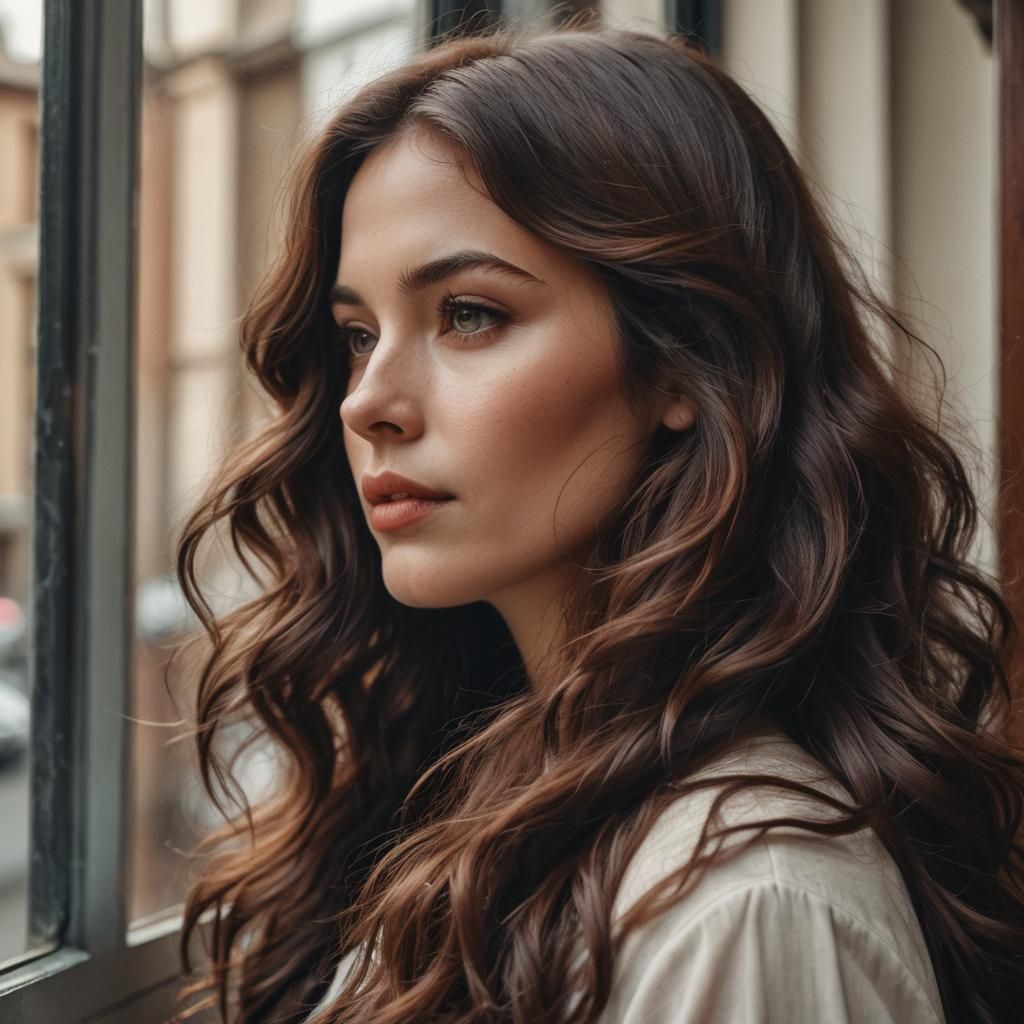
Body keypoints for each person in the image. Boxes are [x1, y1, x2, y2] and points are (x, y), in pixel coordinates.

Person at [169, 18, 1024, 1024]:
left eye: (469, 314)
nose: (367, 402)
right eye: (357, 334)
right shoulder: (479, 789)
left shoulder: (743, 904)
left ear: (685, 362)